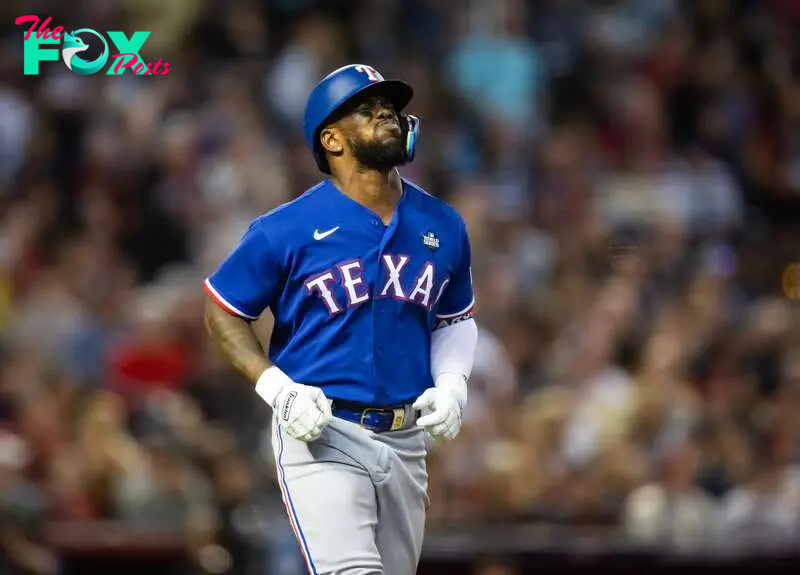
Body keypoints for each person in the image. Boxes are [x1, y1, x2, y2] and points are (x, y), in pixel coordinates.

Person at [202, 64, 478, 574]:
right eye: (366, 110)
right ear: (331, 138)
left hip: (406, 438)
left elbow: (455, 318)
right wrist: (277, 389)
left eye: (389, 108)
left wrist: (453, 384)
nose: (386, 116)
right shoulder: (286, 228)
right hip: (321, 430)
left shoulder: (443, 222)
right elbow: (224, 311)